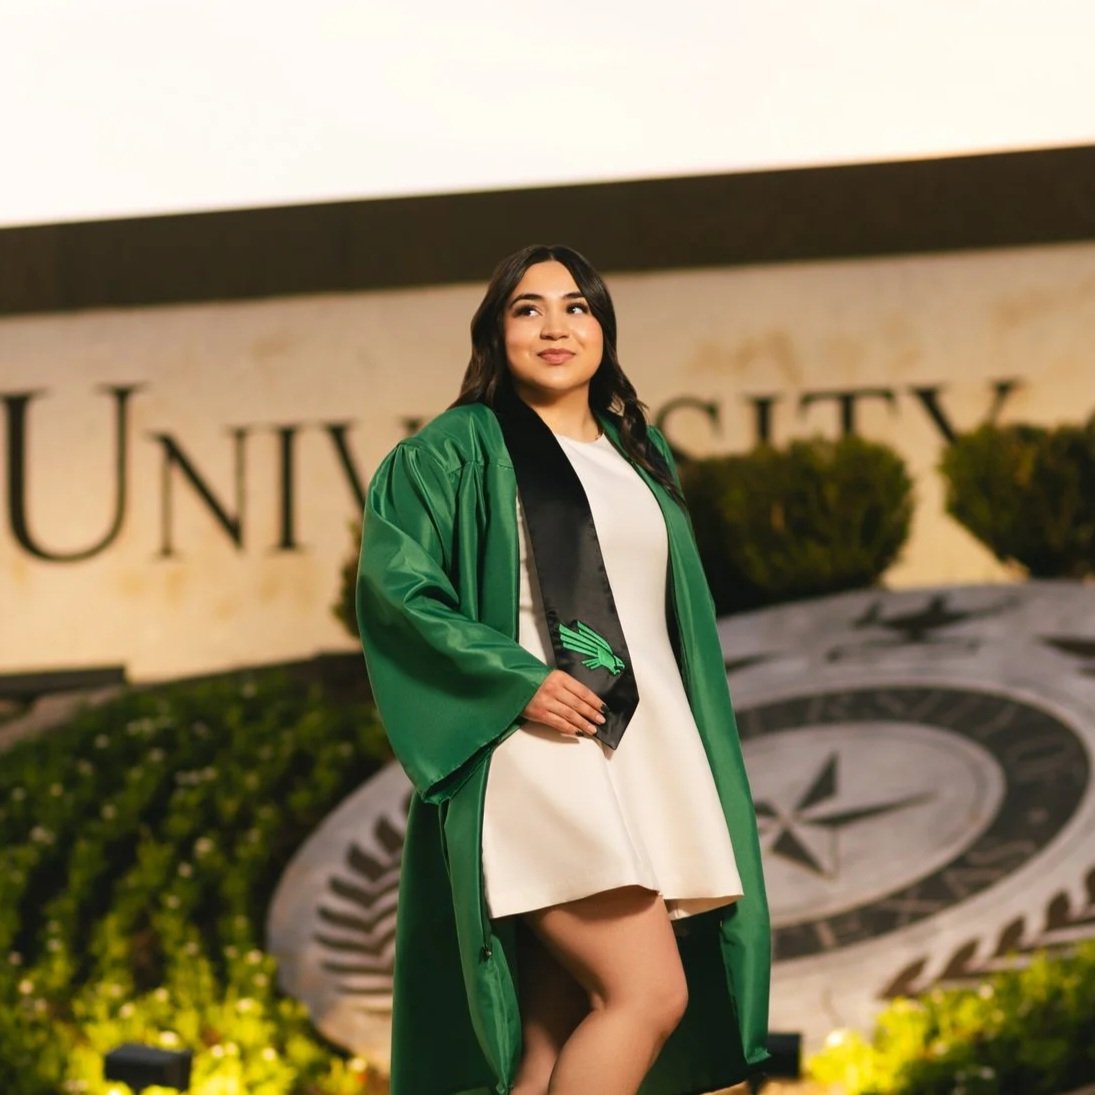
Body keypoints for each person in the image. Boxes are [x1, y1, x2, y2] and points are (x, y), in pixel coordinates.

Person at [357, 244, 770, 1095]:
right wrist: (516, 681)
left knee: (549, 1027)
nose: (554, 325)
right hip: (540, 748)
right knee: (645, 992)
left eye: (576, 306)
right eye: (527, 307)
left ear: (604, 329)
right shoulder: (454, 450)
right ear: (494, 331)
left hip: (640, 746)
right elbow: (399, 595)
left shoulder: (637, 450)